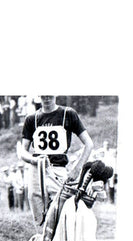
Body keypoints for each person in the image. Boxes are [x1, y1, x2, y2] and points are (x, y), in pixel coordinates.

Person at [19, 95, 94, 229]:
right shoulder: (31, 119)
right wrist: (33, 159)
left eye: (50, 94)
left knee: (62, 211)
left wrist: (77, 168)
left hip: (58, 169)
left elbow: (88, 144)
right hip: (37, 170)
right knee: (38, 212)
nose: (47, 98)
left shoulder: (68, 114)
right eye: (43, 95)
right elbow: (22, 151)